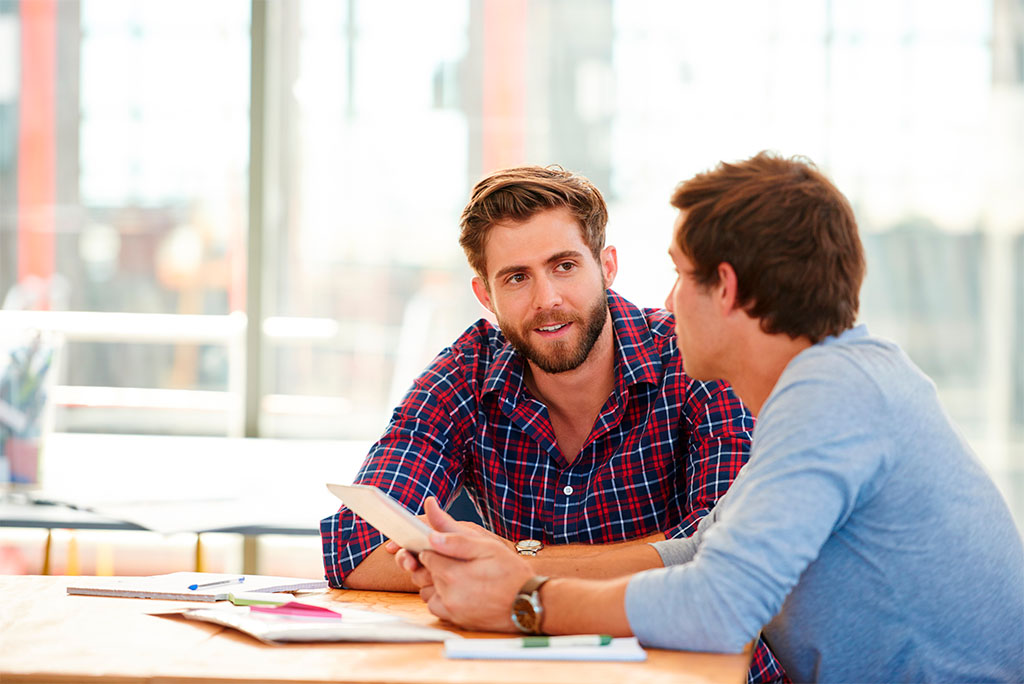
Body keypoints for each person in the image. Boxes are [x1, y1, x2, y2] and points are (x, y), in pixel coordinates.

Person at [395, 152, 1024, 683]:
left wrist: (524, 601)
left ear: (723, 288)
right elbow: (700, 552)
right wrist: (512, 566)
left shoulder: (835, 397)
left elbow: (718, 604)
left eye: (679, 274)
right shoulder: (828, 383)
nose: (666, 301)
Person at [320, 165, 784, 683]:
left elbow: (719, 559)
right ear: (485, 296)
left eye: (564, 266)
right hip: (532, 668)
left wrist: (511, 570)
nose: (546, 299)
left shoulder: (692, 359)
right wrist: (500, 576)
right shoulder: (465, 374)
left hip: (697, 670)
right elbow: (354, 546)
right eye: (516, 278)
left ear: (606, 266)